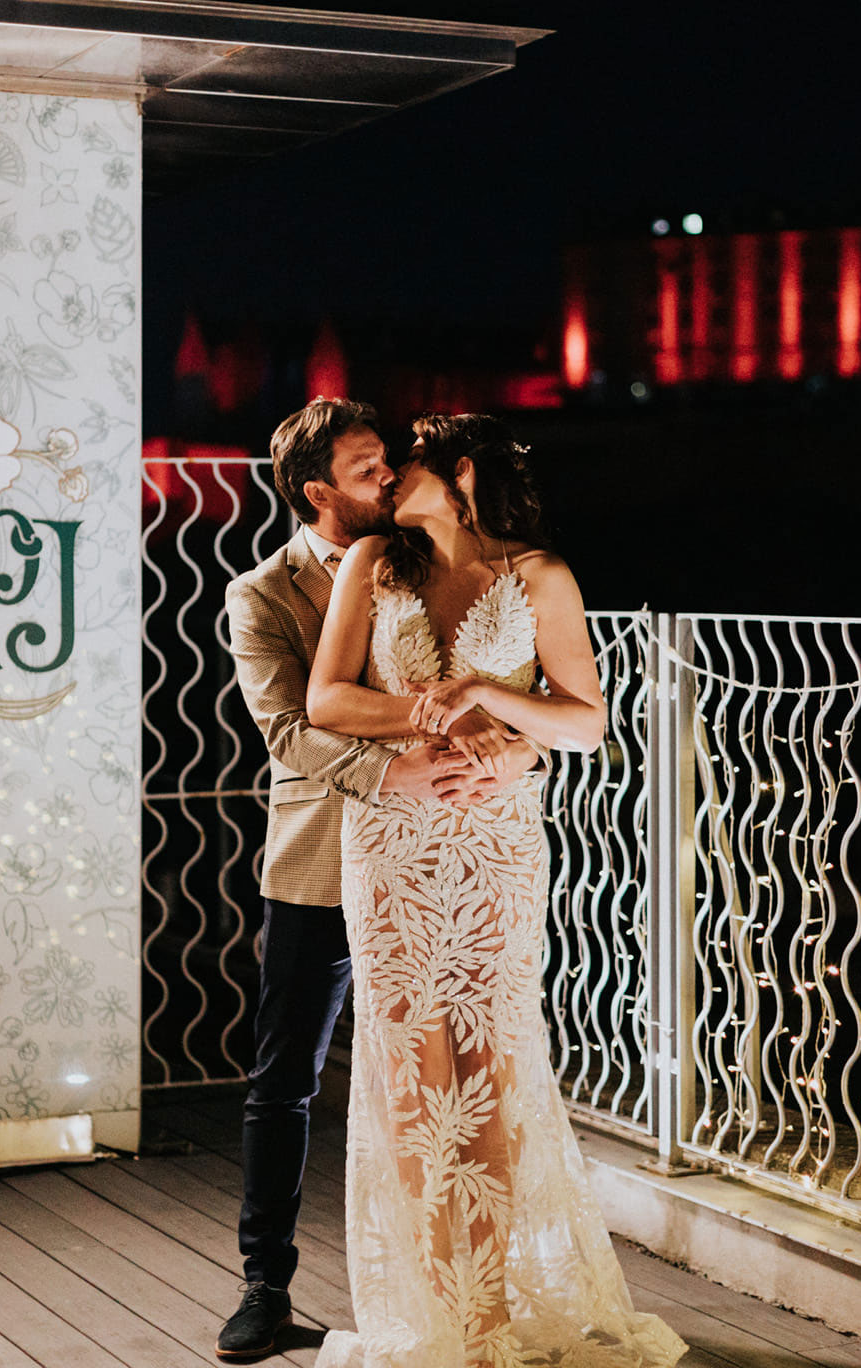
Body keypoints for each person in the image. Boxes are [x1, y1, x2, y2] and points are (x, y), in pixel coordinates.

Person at [307, 415, 686, 1368]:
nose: (390, 477)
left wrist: (493, 702)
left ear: (462, 471)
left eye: (411, 462)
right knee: (409, 1081)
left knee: (490, 1073)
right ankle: (442, 1312)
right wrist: (429, 710)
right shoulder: (370, 567)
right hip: (392, 843)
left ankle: (489, 1314)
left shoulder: (540, 575)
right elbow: (327, 700)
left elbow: (586, 721)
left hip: (493, 846)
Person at [220, 399, 545, 1361]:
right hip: (331, 856)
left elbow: (522, 694)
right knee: (288, 1076)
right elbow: (290, 729)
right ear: (319, 492)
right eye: (370, 470)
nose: (392, 477)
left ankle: (469, 1291)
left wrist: (514, 749)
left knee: (462, 1074)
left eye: (395, 463)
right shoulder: (264, 594)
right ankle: (264, 1286)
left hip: (453, 860)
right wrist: (400, 757)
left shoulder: (437, 562)